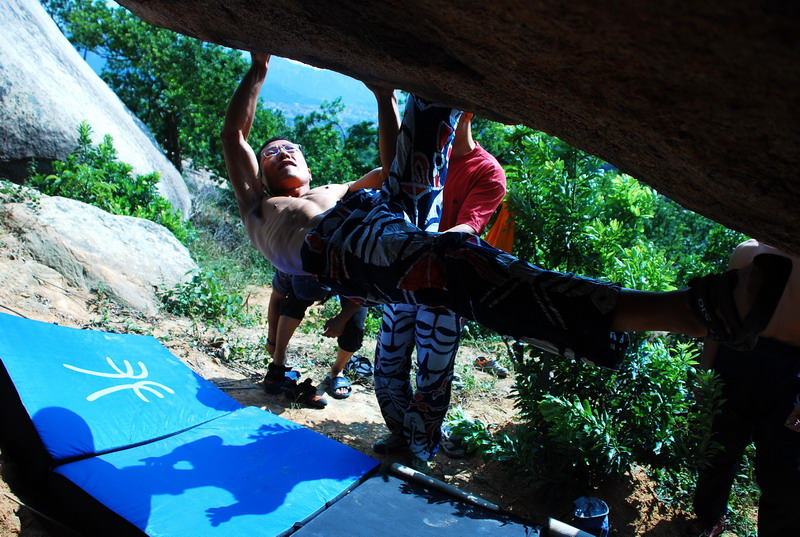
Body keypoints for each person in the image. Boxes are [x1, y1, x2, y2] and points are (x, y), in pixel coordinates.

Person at [220, 52, 792, 413]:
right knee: (463, 265)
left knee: (428, 172)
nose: (283, 150)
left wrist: (383, 97)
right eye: (273, 152)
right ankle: (691, 310)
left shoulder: (339, 187)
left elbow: (397, 174)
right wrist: (259, 67)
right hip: (337, 249)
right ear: (261, 173)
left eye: (291, 146)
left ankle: (435, 95)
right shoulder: (260, 206)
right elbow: (236, 137)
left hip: (375, 223)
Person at [367, 87, 507, 471]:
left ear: (466, 115)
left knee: (432, 371)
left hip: (446, 287)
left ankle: (422, 446)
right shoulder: (419, 158)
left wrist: (422, 244)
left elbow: (468, 228)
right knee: (388, 361)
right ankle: (400, 432)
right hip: (403, 280)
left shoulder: (488, 172)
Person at [689, 240, 800, 537]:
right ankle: (710, 516)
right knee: (720, 445)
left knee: (784, 466)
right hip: (736, 354)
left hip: (790, 368)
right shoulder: (749, 250)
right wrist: (705, 371)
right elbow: (720, 316)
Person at [266, 269, 367, 402]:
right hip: (310, 274)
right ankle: (278, 363)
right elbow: (276, 299)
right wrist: (272, 341)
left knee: (355, 324)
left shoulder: (353, 266)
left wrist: (341, 319)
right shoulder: (287, 268)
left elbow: (363, 295)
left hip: (349, 280)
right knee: (293, 303)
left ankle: (336, 371)